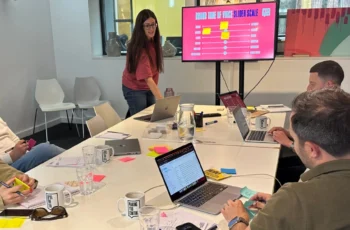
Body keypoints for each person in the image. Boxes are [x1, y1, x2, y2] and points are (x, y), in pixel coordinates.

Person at [221, 87, 350, 230]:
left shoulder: (294, 198)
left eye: (294, 138)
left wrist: (236, 220)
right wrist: (280, 210)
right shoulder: (293, 202)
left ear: (312, 150)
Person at [269, 60, 344, 148]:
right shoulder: (331, 106)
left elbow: (320, 153)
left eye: (312, 84)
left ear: (329, 85)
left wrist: (288, 143)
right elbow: (313, 138)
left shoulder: (336, 113)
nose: (308, 88)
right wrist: (288, 134)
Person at [122, 9, 164, 117]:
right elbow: (148, 79)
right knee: (141, 119)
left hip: (146, 87)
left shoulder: (154, 42)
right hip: (134, 87)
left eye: (153, 24)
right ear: (141, 27)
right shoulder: (139, 49)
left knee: (151, 115)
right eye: (147, 25)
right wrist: (164, 104)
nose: (151, 28)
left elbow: (153, 75)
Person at [0, 117, 64, 172]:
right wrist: (11, 156)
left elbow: (15, 139)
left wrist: (23, 147)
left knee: (49, 155)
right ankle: (72, 158)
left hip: (18, 155)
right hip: (5, 167)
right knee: (44, 149)